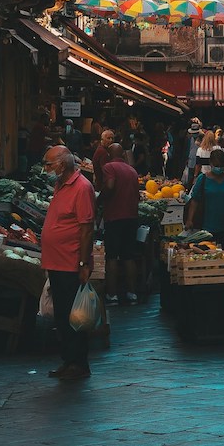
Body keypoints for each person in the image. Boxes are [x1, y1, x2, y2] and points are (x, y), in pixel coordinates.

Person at [39, 147, 96, 381]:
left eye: (49, 164)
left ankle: (79, 363)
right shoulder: (61, 184)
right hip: (56, 261)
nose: (46, 169)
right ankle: (68, 360)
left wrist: (83, 263)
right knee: (62, 315)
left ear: (62, 165)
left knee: (74, 317)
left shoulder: (82, 188)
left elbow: (86, 229)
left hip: (70, 262)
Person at [98, 142, 141, 307]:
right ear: (123, 155)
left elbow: (109, 185)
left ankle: (112, 294)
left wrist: (99, 200)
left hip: (114, 216)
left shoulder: (109, 167)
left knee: (112, 257)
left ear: (109, 155)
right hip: (132, 217)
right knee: (129, 256)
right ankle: (132, 293)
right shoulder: (132, 170)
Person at [187, 147, 224, 248]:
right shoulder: (202, 179)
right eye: (216, 165)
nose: (218, 168)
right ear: (210, 163)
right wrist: (190, 219)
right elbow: (195, 201)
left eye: (221, 166)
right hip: (208, 227)